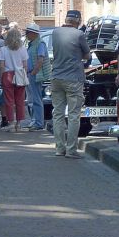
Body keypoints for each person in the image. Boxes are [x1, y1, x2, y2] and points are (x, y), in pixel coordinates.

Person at [49, 10, 90, 158]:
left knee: (58, 114)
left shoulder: (55, 32)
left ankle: (59, 148)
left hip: (56, 77)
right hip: (73, 78)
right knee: (73, 115)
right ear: (77, 20)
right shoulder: (79, 34)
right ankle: (71, 150)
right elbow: (87, 55)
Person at [0, 26, 29, 132]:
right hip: (20, 74)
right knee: (20, 100)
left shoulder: (3, 49)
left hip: (8, 75)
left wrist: (1, 77)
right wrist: (25, 76)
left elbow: (1, 65)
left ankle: (11, 123)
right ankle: (19, 124)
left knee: (9, 100)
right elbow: (25, 65)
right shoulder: (23, 49)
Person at [22, 23, 51, 131]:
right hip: (30, 74)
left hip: (34, 75)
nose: (26, 34)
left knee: (36, 99)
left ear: (33, 33)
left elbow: (40, 59)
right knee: (31, 99)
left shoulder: (40, 43)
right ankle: (34, 120)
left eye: (28, 32)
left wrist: (33, 72)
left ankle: (38, 122)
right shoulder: (33, 43)